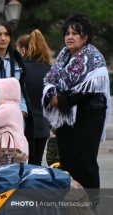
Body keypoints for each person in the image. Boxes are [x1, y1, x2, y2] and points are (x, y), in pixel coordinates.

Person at [42, 13, 111, 212]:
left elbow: (91, 90)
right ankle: (73, 203)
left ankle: (92, 204)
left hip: (89, 116)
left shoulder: (94, 58)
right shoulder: (63, 57)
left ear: (85, 37)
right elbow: (49, 80)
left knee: (85, 162)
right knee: (67, 161)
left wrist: (61, 100)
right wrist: (52, 96)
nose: (70, 37)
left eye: (75, 33)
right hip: (66, 118)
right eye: (67, 33)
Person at [16, 29, 52, 165]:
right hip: (42, 127)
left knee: (19, 167)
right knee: (36, 165)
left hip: (22, 126)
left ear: (24, 50)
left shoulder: (19, 69)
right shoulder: (49, 69)